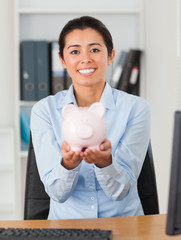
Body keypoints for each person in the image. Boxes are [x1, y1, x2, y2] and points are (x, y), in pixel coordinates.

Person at [30, 16, 151, 219]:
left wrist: (106, 163)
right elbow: (56, 194)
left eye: (95, 50)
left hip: (124, 224)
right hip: (68, 227)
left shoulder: (136, 108)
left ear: (110, 56)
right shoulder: (44, 111)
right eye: (75, 51)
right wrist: (68, 165)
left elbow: (120, 191)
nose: (85, 59)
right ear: (62, 60)